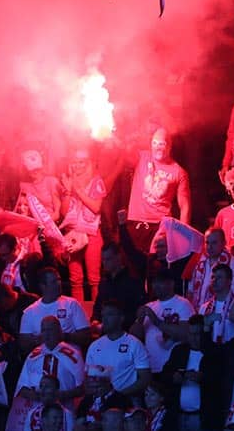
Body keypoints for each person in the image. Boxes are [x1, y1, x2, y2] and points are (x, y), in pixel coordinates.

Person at [126, 128, 191, 254]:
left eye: (161, 144)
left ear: (169, 146)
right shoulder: (142, 157)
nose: (158, 147)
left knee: (154, 267)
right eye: (154, 143)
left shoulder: (179, 172)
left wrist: (182, 234)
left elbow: (185, 206)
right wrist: (130, 141)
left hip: (160, 227)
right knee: (133, 267)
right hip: (135, 223)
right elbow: (127, 155)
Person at [60, 148, 106, 303]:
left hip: (91, 233)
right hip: (72, 233)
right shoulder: (66, 181)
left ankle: (97, 316)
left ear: (88, 164)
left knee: (94, 279)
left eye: (81, 162)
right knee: (75, 280)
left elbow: (96, 207)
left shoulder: (96, 181)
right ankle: (77, 316)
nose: (78, 166)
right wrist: (67, 191)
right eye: (75, 162)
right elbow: (63, 212)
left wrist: (77, 190)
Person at [85, 300, 150, 398]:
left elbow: (145, 379)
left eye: (109, 315)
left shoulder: (134, 344)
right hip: (100, 403)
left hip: (126, 402)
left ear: (121, 318)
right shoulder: (94, 346)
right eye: (103, 316)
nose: (105, 319)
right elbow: (88, 378)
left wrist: (117, 396)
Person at [19, 268, 90, 352]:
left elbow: (86, 336)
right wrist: (39, 339)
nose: (59, 284)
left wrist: (63, 336)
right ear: (43, 286)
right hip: (41, 359)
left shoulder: (72, 304)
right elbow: (23, 344)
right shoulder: (29, 312)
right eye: (54, 282)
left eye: (59, 280)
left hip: (68, 358)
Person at [185, 228, 234, 311]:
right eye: (207, 243)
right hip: (198, 311)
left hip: (222, 310)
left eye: (214, 243)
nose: (210, 247)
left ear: (224, 243)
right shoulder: (199, 261)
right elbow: (190, 289)